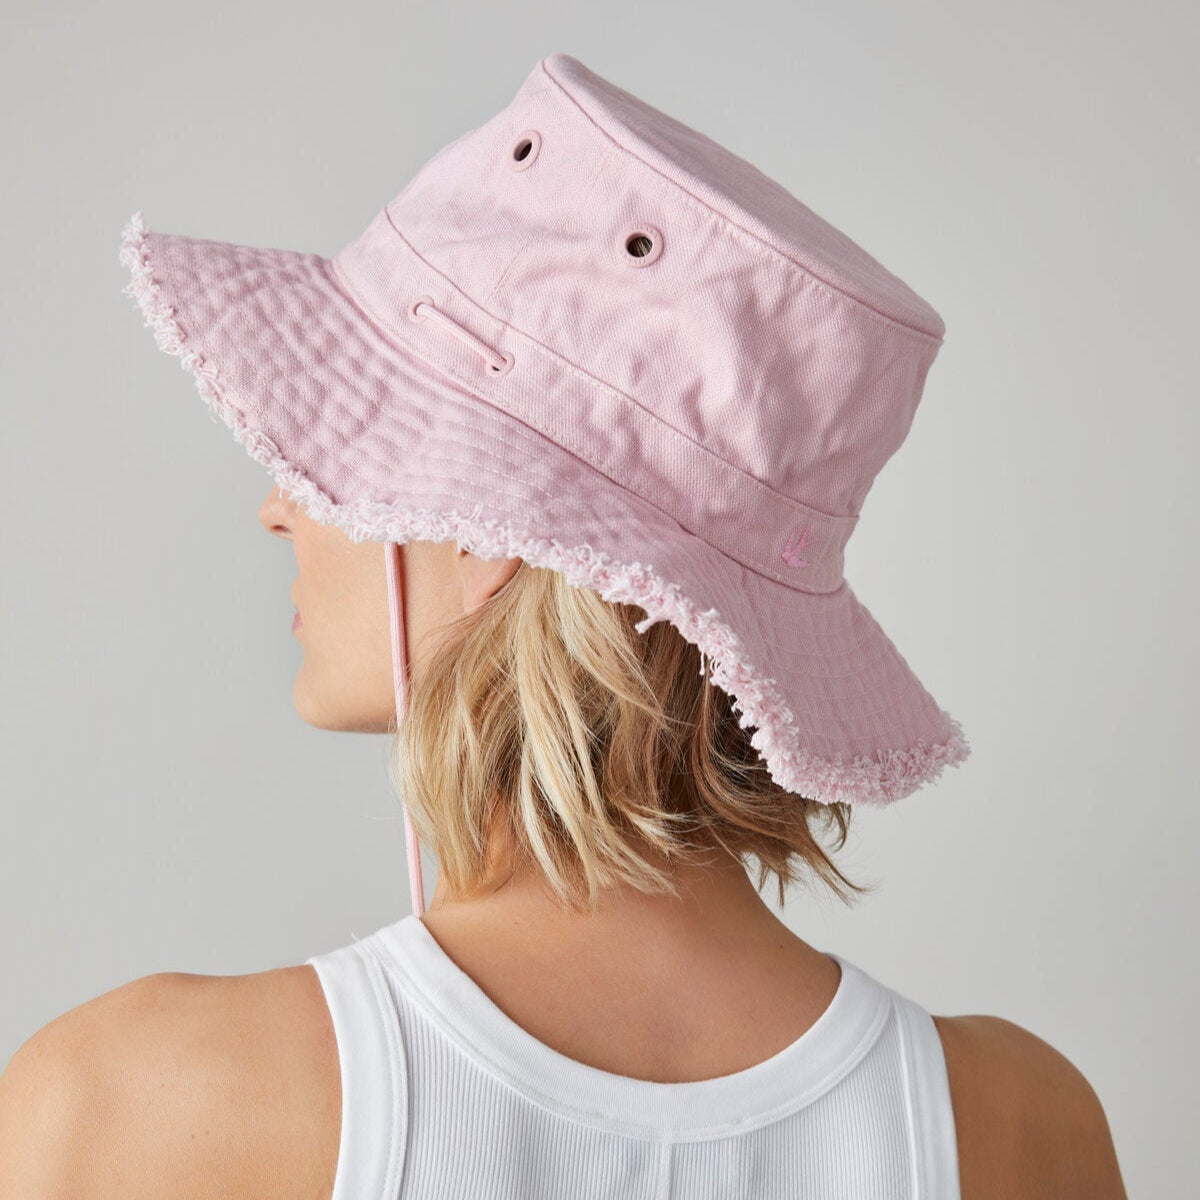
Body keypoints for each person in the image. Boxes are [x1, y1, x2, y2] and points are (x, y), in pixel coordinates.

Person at [0, 52, 1128, 1199]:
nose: (278, 508)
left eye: (336, 455)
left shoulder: (140, 1103)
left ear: (487, 532)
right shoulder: (1022, 1125)